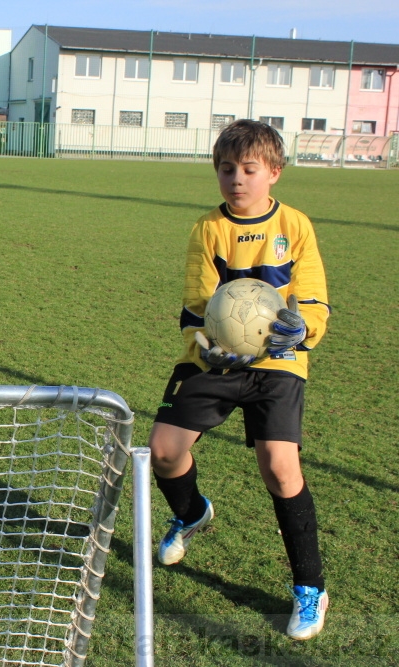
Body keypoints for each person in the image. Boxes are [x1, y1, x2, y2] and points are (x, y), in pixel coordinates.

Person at [149, 119, 331, 640]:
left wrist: (302, 329)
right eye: (227, 169)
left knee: (278, 466)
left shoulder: (294, 226)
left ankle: (310, 588)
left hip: (278, 360)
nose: (237, 179)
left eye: (249, 169)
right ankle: (191, 512)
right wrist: (208, 348)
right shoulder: (209, 228)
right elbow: (197, 300)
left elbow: (313, 295)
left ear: (273, 172)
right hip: (218, 358)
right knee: (164, 449)